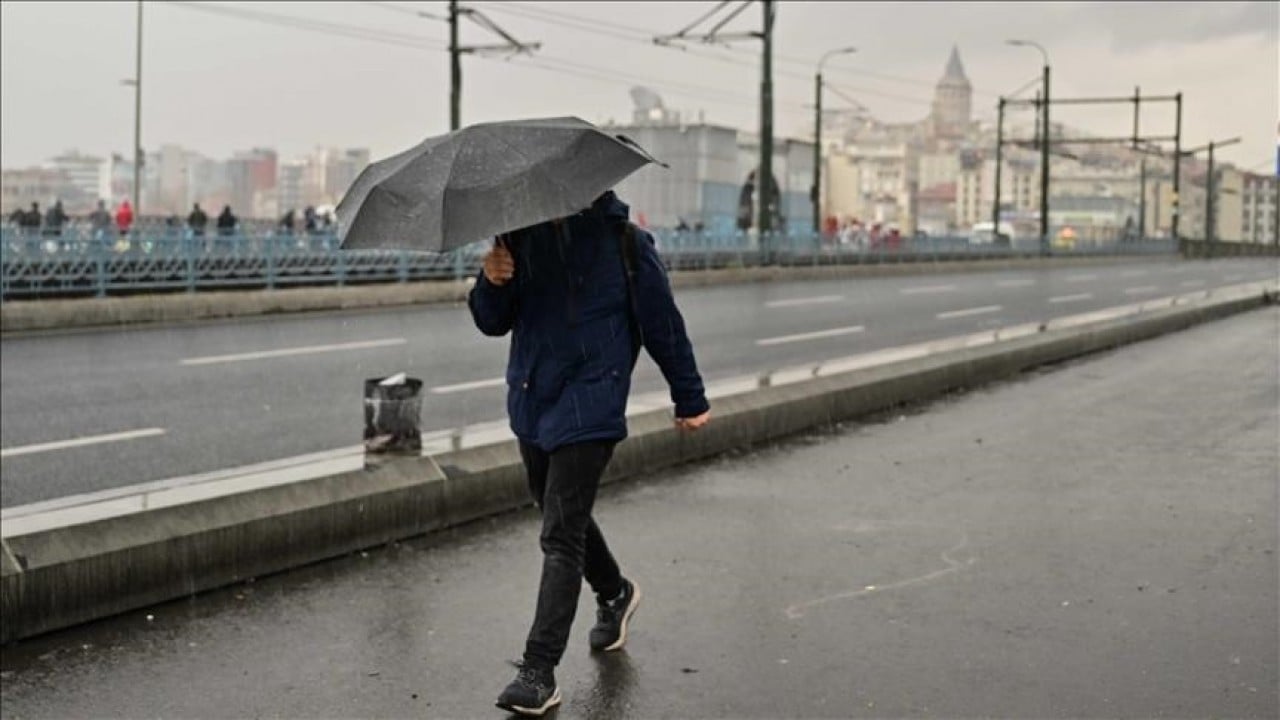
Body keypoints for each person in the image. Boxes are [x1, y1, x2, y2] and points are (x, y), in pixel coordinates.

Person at [469, 190, 710, 716]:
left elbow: (663, 324)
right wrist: (491, 280)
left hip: (594, 399)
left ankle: (538, 671)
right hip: (534, 399)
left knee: (560, 532)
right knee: (559, 511)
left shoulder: (624, 243)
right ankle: (615, 591)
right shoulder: (519, 238)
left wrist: (689, 396)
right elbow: (492, 322)